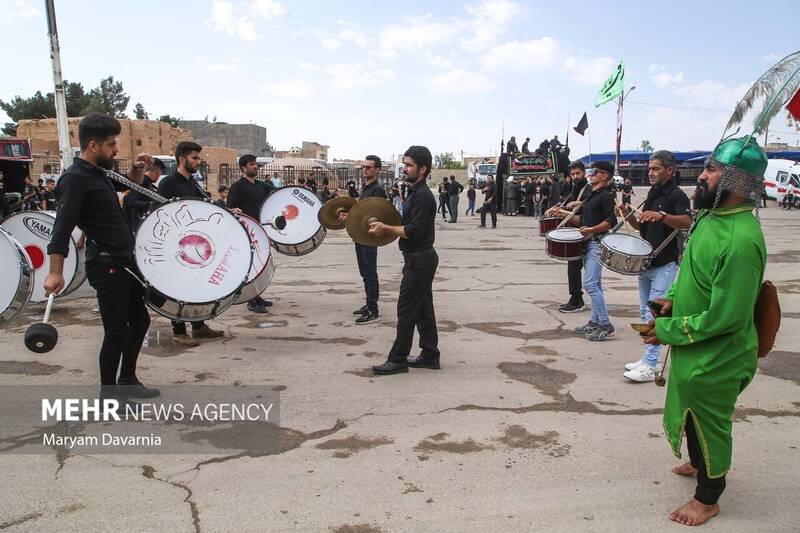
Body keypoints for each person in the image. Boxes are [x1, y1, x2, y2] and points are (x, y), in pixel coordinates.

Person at [642, 137, 768, 526]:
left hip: (719, 353)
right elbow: (691, 273)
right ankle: (699, 462)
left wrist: (669, 330)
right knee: (691, 411)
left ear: (736, 180)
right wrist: (672, 301)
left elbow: (727, 318)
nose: (702, 176)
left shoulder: (741, 239)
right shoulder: (712, 219)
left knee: (709, 419)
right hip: (696, 343)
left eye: (712, 169)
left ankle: (708, 497)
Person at [44, 113, 159, 401]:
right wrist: (55, 271)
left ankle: (128, 378)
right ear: (93, 145)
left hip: (123, 263)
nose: (116, 150)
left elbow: (129, 185)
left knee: (140, 322)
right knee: (116, 331)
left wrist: (137, 169)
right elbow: (61, 228)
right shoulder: (75, 179)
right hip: (106, 265)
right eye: (111, 145)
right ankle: (109, 395)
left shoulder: (99, 173)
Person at [617, 151, 691, 382]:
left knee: (656, 315)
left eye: (656, 168)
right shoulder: (652, 193)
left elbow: (687, 222)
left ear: (670, 170)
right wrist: (628, 215)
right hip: (646, 263)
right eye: (650, 168)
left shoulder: (677, 195)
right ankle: (649, 358)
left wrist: (661, 216)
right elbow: (642, 226)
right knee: (644, 311)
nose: (651, 172)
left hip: (665, 263)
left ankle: (650, 365)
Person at [367, 146, 439, 375]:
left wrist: (387, 228)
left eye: (409, 165)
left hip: (420, 259)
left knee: (406, 310)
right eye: (405, 164)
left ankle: (398, 359)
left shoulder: (424, 196)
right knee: (424, 309)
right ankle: (430, 354)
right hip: (419, 258)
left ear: (422, 169)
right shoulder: (415, 192)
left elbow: (414, 230)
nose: (405, 168)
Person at [156, 141, 224, 346]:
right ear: (181, 159)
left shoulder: (192, 183)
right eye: (194, 158)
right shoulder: (168, 183)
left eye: (199, 158)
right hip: (176, 246)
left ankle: (198, 326)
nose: (198, 162)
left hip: (195, 244)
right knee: (179, 289)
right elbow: (158, 213)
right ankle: (178, 331)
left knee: (196, 287)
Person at [560, 161, 617, 339]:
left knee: (591, 285)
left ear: (605, 176)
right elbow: (583, 220)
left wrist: (592, 230)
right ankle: (594, 321)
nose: (590, 174)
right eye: (590, 171)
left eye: (594, 171)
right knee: (596, 284)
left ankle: (606, 325)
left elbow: (611, 221)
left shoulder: (606, 196)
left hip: (597, 242)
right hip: (588, 242)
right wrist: (565, 215)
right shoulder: (592, 195)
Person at [227, 153, 276, 314]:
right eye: (251, 164)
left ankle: (257, 295)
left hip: (260, 230)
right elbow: (230, 209)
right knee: (250, 267)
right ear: (243, 167)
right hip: (246, 231)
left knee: (260, 264)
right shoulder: (237, 186)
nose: (255, 167)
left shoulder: (261, 185)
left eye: (255, 164)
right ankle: (251, 300)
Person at [340, 156, 386, 325]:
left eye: (368, 167)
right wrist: (349, 216)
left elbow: (378, 215)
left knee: (370, 273)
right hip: (360, 236)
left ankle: (373, 310)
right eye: (363, 167)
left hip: (369, 238)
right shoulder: (366, 188)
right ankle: (368, 303)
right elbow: (362, 213)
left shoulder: (378, 190)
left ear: (377, 170)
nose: (365, 170)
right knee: (364, 272)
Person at [547, 161, 590, 312]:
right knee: (573, 268)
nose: (575, 176)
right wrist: (558, 208)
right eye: (573, 174)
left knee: (581, 272)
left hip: (586, 233)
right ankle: (576, 298)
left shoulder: (588, 189)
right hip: (576, 232)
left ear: (584, 172)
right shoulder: (575, 188)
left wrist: (576, 206)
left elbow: (587, 208)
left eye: (578, 173)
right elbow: (568, 203)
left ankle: (578, 300)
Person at [123, 158, 161, 229]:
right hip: (135, 224)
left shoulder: (147, 182)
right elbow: (131, 202)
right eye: (159, 173)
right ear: (156, 172)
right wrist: (151, 204)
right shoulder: (144, 182)